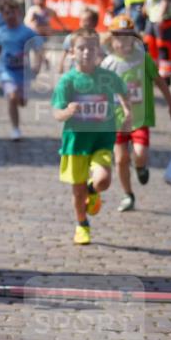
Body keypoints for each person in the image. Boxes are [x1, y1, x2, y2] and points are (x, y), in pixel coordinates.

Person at [52, 28, 131, 245]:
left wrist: (127, 112)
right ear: (71, 52)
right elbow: (57, 112)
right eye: (81, 48)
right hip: (75, 143)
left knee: (103, 180)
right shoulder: (67, 81)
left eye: (91, 48)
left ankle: (93, 190)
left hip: (102, 139)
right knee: (77, 193)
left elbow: (123, 92)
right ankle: (82, 224)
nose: (87, 52)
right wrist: (67, 112)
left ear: (99, 51)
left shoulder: (107, 77)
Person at [100, 15, 171, 212]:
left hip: (139, 118)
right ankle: (128, 194)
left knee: (140, 154)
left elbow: (159, 81)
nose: (123, 42)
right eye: (118, 37)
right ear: (111, 40)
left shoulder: (143, 60)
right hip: (116, 120)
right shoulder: (108, 64)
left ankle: (141, 167)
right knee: (120, 159)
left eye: (128, 37)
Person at [0, 0, 43, 141]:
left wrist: (37, 65)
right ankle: (15, 129)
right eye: (6, 13)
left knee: (21, 101)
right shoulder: (0, 31)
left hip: (23, 72)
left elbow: (38, 49)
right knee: (12, 97)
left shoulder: (27, 32)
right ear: (2, 15)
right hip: (6, 70)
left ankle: (22, 98)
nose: (9, 16)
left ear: (18, 13)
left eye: (12, 12)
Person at [57, 6, 102, 73]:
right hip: (75, 69)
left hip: (91, 70)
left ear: (94, 23)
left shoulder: (97, 38)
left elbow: (100, 54)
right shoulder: (72, 37)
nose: (84, 23)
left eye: (87, 21)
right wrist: (61, 65)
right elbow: (65, 52)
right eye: (82, 20)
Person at [24, 0, 58, 72]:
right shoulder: (32, 10)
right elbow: (26, 22)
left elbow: (58, 20)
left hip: (45, 35)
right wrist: (33, 23)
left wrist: (63, 28)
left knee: (39, 51)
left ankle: (38, 67)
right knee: (38, 51)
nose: (40, 0)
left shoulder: (49, 11)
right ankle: (39, 65)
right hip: (35, 35)